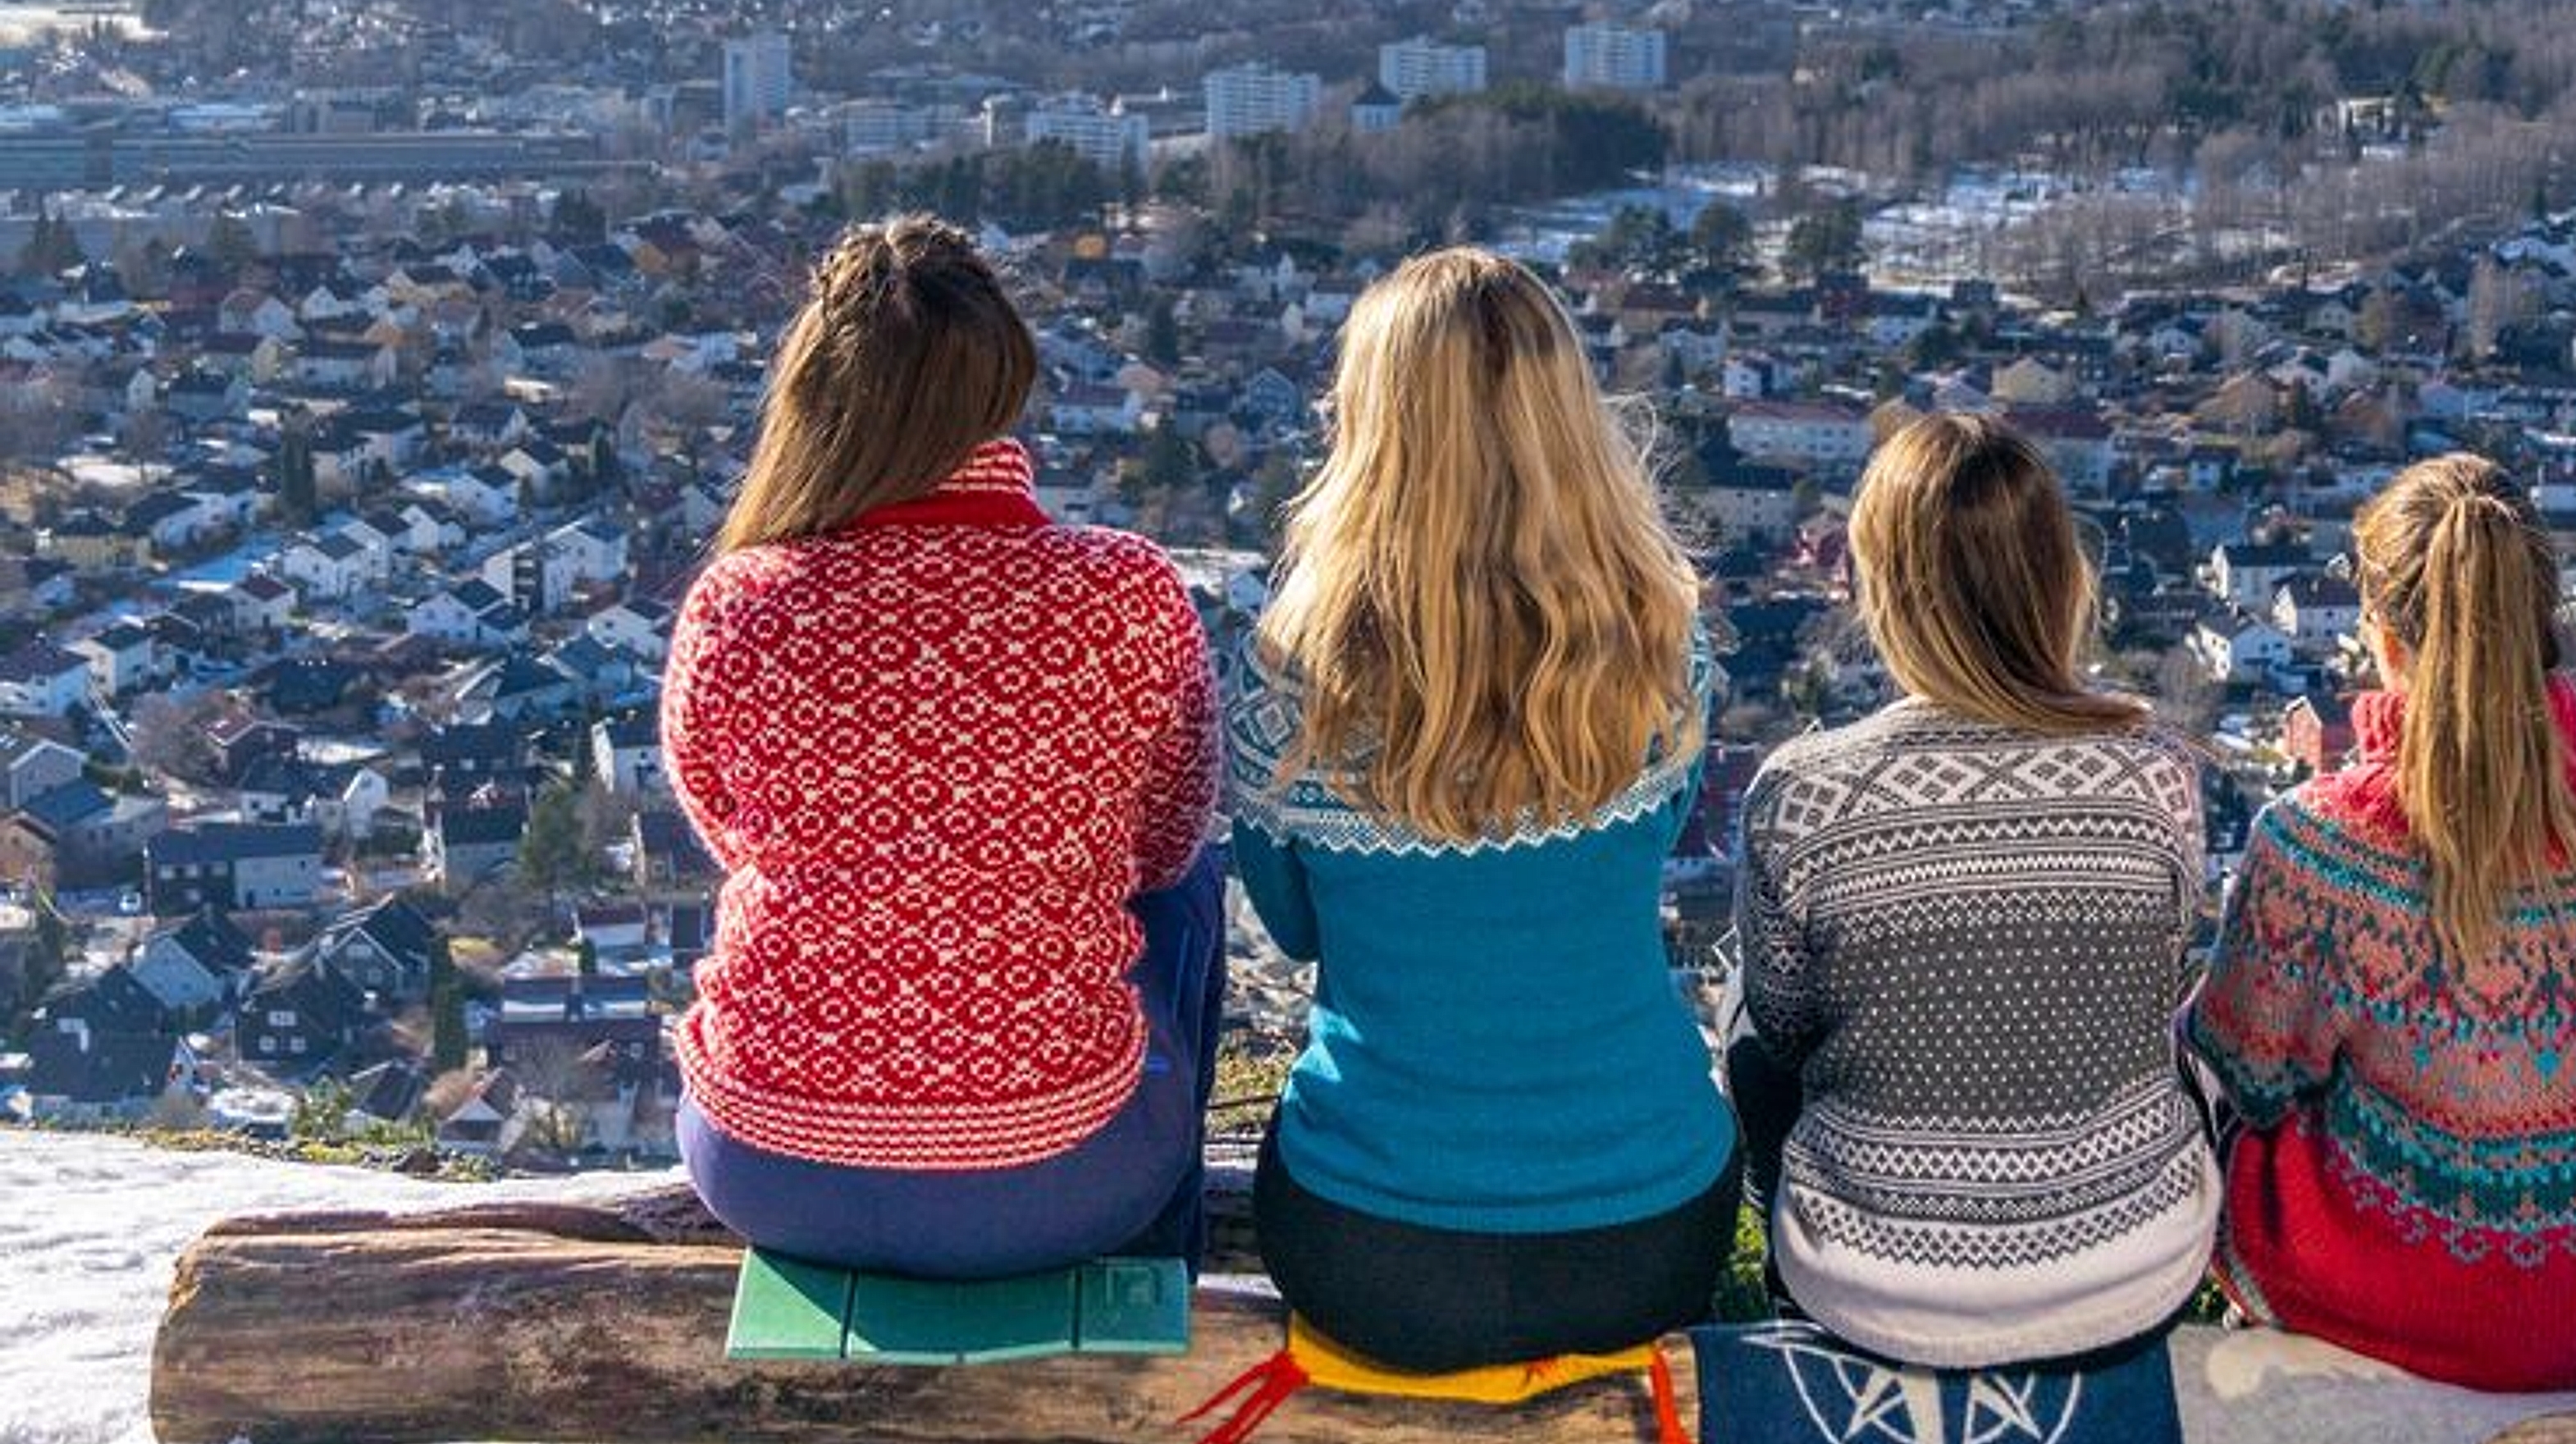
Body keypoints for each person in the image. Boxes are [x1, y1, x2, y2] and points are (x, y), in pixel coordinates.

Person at [662, 216, 1225, 1280]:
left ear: (816, 396)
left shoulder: (740, 604)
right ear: (1004, 380)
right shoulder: (1122, 591)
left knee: (780, 870)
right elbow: (1161, 844)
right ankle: (1163, 1256)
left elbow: (725, 827)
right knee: (1189, 880)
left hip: (768, 1164)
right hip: (1063, 1178)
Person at [1227, 247, 1739, 1374]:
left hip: (1373, 1235)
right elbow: (1653, 849)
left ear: (1371, 425)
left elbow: (1299, 931)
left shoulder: (1291, 684)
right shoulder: (1663, 650)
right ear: (1571, 421)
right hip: (1646, 1223)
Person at [2185, 454, 2576, 1391]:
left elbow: (2245, 1070)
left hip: (2388, 1300)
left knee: (2232, 1138)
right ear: (2542, 622)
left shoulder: (2320, 849)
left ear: (2386, 642)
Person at [1724, 414, 2217, 1371]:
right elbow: (2152, 984)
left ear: (1887, 590)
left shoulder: (1804, 792)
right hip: (2131, 1271)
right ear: (2057, 579)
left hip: (1868, 1286)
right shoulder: (2154, 771)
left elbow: (1781, 1033)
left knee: (1744, 1008)